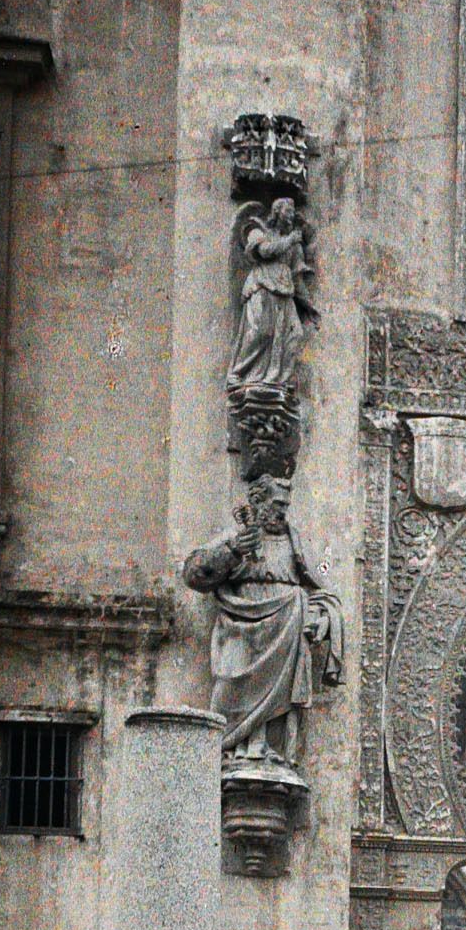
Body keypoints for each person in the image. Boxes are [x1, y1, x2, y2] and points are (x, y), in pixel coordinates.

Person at [183, 474, 344, 765]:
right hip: (239, 629)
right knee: (228, 690)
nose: (282, 510)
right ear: (257, 501)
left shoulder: (297, 543)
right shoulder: (238, 537)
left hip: (284, 631)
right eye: (277, 503)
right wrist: (233, 550)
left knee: (277, 708)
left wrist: (320, 618)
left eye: (286, 505)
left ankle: (268, 753)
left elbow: (324, 592)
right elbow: (194, 574)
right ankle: (229, 751)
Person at [226, 197, 316, 402]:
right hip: (262, 287)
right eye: (288, 211)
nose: (291, 215)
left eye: (293, 212)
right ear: (277, 212)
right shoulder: (258, 231)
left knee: (295, 334)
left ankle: (279, 380)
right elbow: (265, 251)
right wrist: (290, 240)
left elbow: (297, 277)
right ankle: (238, 373)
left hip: (285, 292)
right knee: (260, 332)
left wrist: (308, 306)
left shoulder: (294, 245)